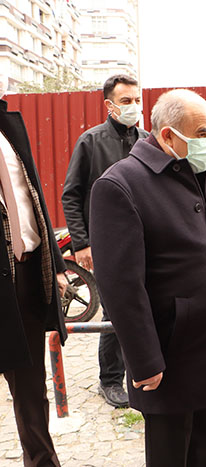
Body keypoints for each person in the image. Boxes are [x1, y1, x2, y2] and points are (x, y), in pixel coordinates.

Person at [89, 89, 206, 467]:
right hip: (169, 351)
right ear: (167, 136)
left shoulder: (195, 171)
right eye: (202, 133)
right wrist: (144, 360)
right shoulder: (120, 185)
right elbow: (120, 286)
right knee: (171, 453)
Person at [61, 74, 148, 408]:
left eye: (137, 100)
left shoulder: (147, 141)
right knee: (115, 311)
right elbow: (71, 195)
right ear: (109, 105)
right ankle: (110, 379)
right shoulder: (91, 141)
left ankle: (142, 373)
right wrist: (82, 243)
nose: (134, 106)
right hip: (105, 244)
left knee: (143, 307)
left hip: (144, 241)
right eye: (126, 101)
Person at [0, 73, 69, 467]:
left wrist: (55, 264)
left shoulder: (9, 130)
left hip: (23, 277)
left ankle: (43, 462)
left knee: (31, 388)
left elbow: (34, 201)